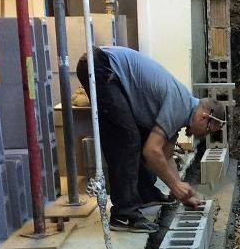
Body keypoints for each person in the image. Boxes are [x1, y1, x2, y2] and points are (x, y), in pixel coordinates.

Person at [77, 46, 226, 232]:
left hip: (106, 68)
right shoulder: (180, 105)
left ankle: (145, 193)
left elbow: (166, 154)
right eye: (208, 130)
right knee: (127, 139)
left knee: (143, 135)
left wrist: (181, 192)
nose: (205, 135)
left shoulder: (183, 108)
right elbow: (151, 151)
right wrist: (175, 185)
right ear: (204, 117)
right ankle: (123, 214)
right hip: (100, 66)